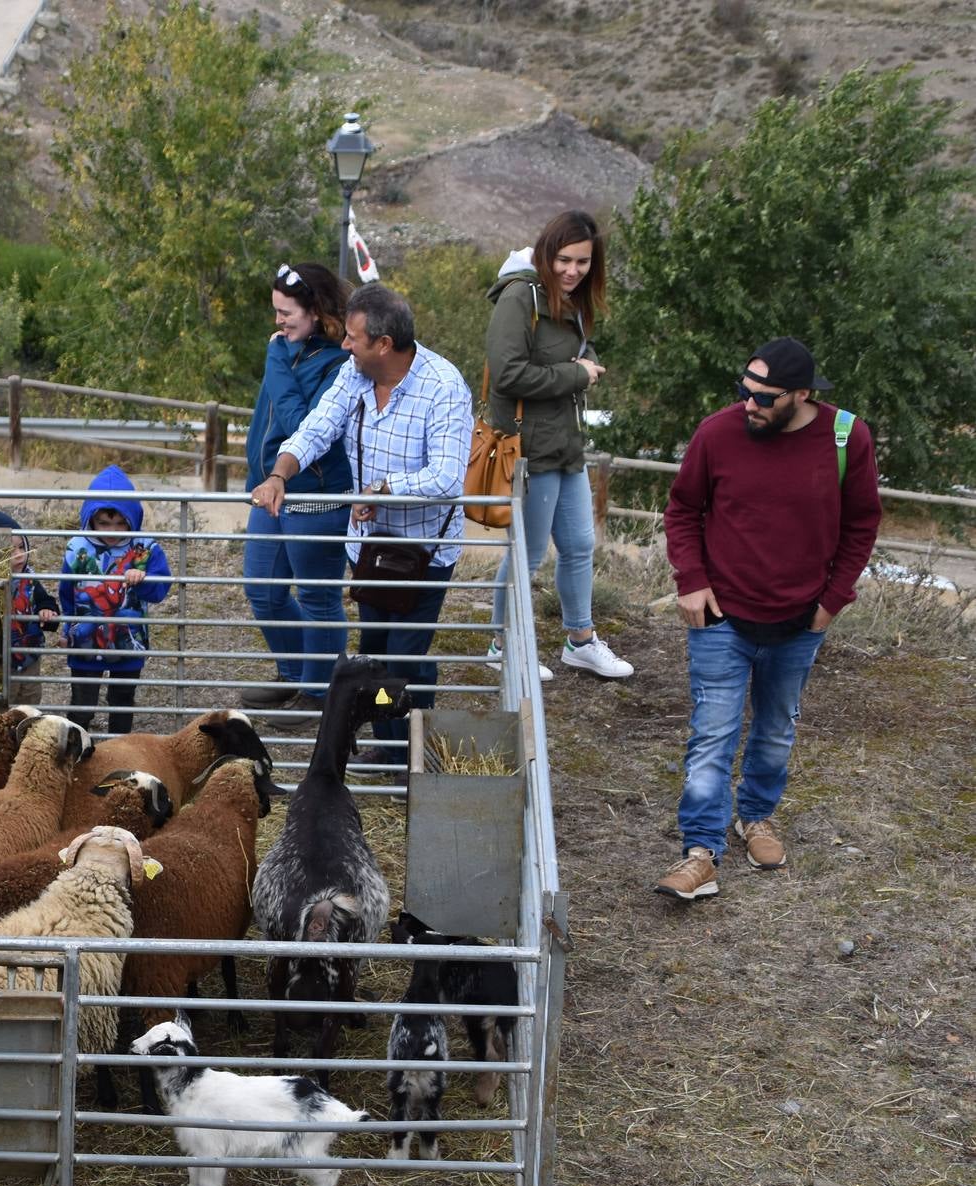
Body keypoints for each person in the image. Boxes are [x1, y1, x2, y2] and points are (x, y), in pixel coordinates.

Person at [654, 338, 881, 901]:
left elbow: (861, 525)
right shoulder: (717, 433)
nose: (748, 403)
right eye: (743, 389)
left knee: (776, 732)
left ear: (801, 395)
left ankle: (754, 817)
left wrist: (832, 602)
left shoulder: (846, 437)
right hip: (721, 617)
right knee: (712, 738)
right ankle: (700, 853)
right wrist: (692, 581)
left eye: (762, 396)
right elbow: (683, 510)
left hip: (800, 621)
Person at [257, 284, 470, 751]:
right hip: (370, 544)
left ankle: (403, 749)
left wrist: (384, 489)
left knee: (402, 657)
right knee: (376, 652)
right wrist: (279, 474)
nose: (345, 345)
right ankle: (393, 741)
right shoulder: (355, 376)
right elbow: (317, 427)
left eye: (353, 338)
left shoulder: (444, 387)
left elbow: (447, 478)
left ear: (384, 345)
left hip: (422, 552)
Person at [484, 210, 633, 682]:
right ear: (546, 252)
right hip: (530, 449)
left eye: (583, 262)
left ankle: (580, 640)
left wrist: (585, 360)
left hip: (566, 444)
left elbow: (564, 354)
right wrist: (575, 373)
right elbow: (507, 374)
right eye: (564, 259)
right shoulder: (518, 296)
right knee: (526, 554)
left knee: (578, 546)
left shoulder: (569, 300)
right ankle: (502, 645)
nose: (572, 270)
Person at [240, 262, 354, 709]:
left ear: (316, 310)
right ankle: (295, 671)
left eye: (286, 312)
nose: (278, 321)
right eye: (276, 311)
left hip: (316, 495)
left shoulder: (338, 362)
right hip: (269, 488)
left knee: (317, 595)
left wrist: (275, 358)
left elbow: (298, 425)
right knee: (263, 591)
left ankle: (319, 691)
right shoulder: (288, 347)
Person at [59, 466, 171, 736]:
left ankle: (120, 749)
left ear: (133, 519)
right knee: (82, 703)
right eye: (104, 523)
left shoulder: (145, 548)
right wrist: (66, 629)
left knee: (122, 701)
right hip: (86, 640)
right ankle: (73, 750)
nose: (112, 531)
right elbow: (67, 592)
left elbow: (160, 589)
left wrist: (142, 580)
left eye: (121, 524)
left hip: (127, 639)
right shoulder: (77, 547)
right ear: (91, 518)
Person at [0, 505, 58, 707]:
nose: (19, 554)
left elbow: (45, 600)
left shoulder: (28, 579)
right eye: (9, 550)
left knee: (29, 702)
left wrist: (47, 611)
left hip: (29, 656)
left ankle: (25, 735)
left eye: (21, 547)